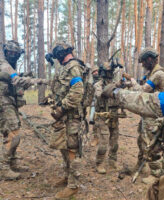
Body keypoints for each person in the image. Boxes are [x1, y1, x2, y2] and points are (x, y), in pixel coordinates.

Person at [102, 30, 164, 199]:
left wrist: (117, 93)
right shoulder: (154, 74)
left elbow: (155, 102)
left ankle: (154, 173)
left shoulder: (159, 74)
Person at [122, 47, 164, 184]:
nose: (143, 65)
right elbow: (141, 83)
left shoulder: (158, 74)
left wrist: (132, 82)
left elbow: (142, 91)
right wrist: (127, 84)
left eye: (144, 62)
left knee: (152, 144)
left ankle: (156, 175)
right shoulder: (151, 73)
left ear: (150, 59)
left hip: (155, 114)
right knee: (142, 140)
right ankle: (140, 166)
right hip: (148, 112)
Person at [47, 41, 91, 199]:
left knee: (72, 150)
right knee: (63, 147)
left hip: (72, 116)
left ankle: (73, 186)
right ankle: (67, 178)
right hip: (65, 116)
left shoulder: (73, 67)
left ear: (60, 54)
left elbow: (77, 92)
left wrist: (61, 108)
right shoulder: (66, 68)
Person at [0, 40, 47, 180]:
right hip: (3, 102)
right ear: (5, 51)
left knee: (12, 132)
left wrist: (24, 75)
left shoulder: (9, 65)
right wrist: (38, 81)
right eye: (10, 52)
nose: (13, 55)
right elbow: (16, 80)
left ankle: (12, 163)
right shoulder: (4, 64)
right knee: (13, 133)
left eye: (15, 53)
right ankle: (3, 168)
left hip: (9, 101)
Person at [94, 62, 126, 174]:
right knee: (104, 142)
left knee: (114, 141)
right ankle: (99, 163)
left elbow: (118, 95)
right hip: (102, 117)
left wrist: (120, 86)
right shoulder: (98, 85)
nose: (110, 74)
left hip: (113, 116)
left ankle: (112, 161)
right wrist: (115, 86)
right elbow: (101, 95)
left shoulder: (115, 84)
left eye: (111, 72)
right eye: (108, 72)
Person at [90, 66, 100, 147]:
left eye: (97, 71)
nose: (95, 72)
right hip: (94, 105)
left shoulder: (103, 81)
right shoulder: (91, 83)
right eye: (94, 71)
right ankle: (95, 138)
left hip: (103, 105)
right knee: (94, 121)